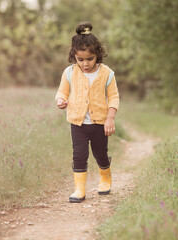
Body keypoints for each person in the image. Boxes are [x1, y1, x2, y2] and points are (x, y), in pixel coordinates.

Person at [55, 22, 120, 203]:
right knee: (79, 155)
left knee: (100, 154)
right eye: (80, 59)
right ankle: (79, 189)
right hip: (78, 123)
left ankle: (105, 177)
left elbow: (114, 97)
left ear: (97, 55)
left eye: (89, 59)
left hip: (100, 123)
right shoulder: (69, 73)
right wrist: (60, 100)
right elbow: (62, 92)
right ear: (74, 56)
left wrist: (110, 118)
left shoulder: (107, 73)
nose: (85, 64)